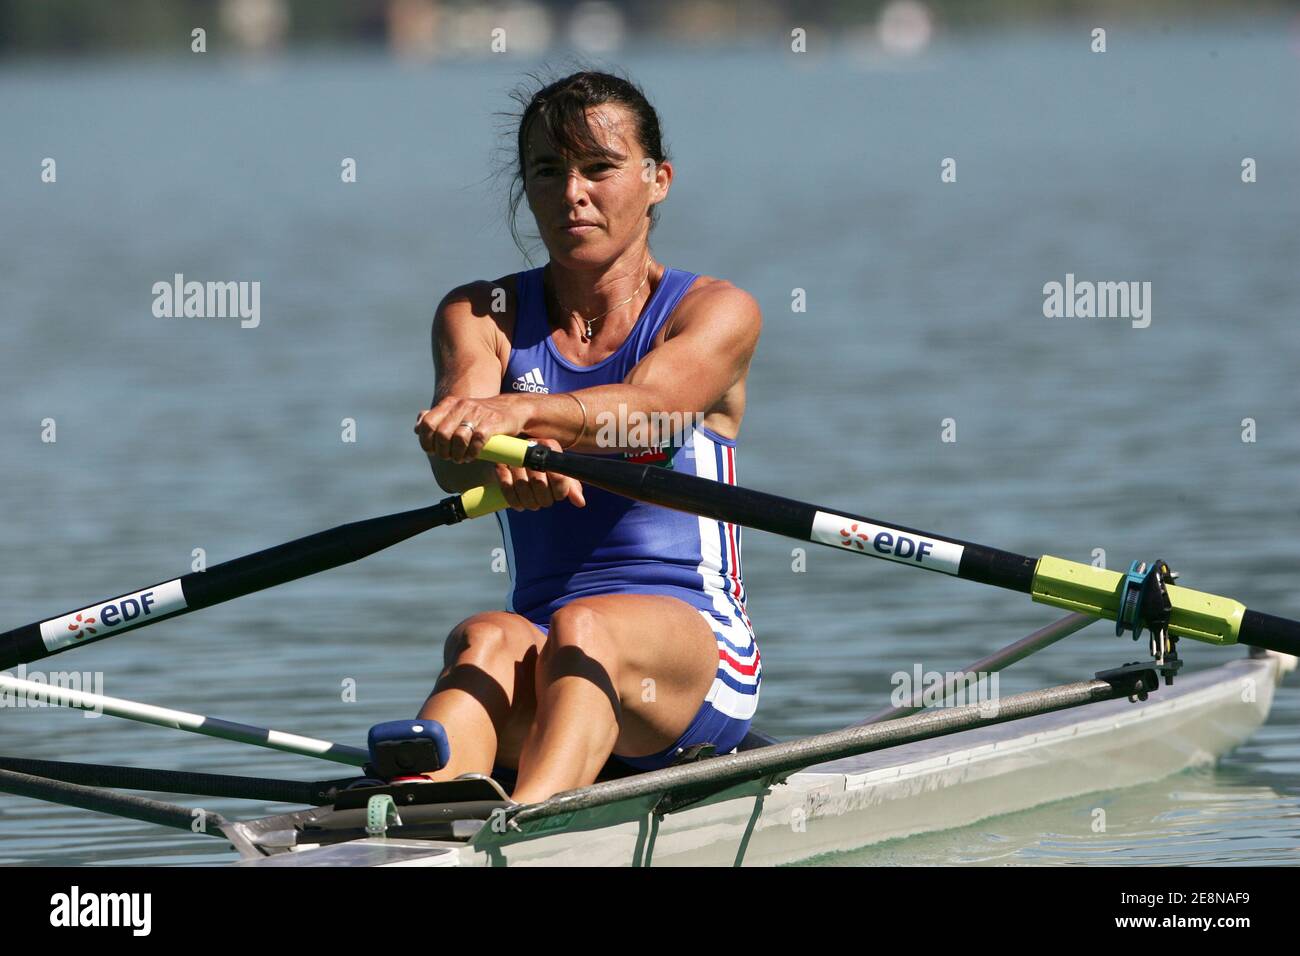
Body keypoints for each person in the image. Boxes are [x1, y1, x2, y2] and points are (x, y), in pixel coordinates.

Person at [412, 71, 761, 804]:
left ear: (657, 180)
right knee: (484, 637)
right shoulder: (482, 313)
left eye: (599, 168)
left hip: (694, 662)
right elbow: (460, 441)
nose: (573, 192)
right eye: (548, 171)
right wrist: (475, 451)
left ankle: (523, 832)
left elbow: (651, 411)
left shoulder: (714, 311)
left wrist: (521, 420)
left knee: (586, 625)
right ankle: (403, 812)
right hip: (546, 653)